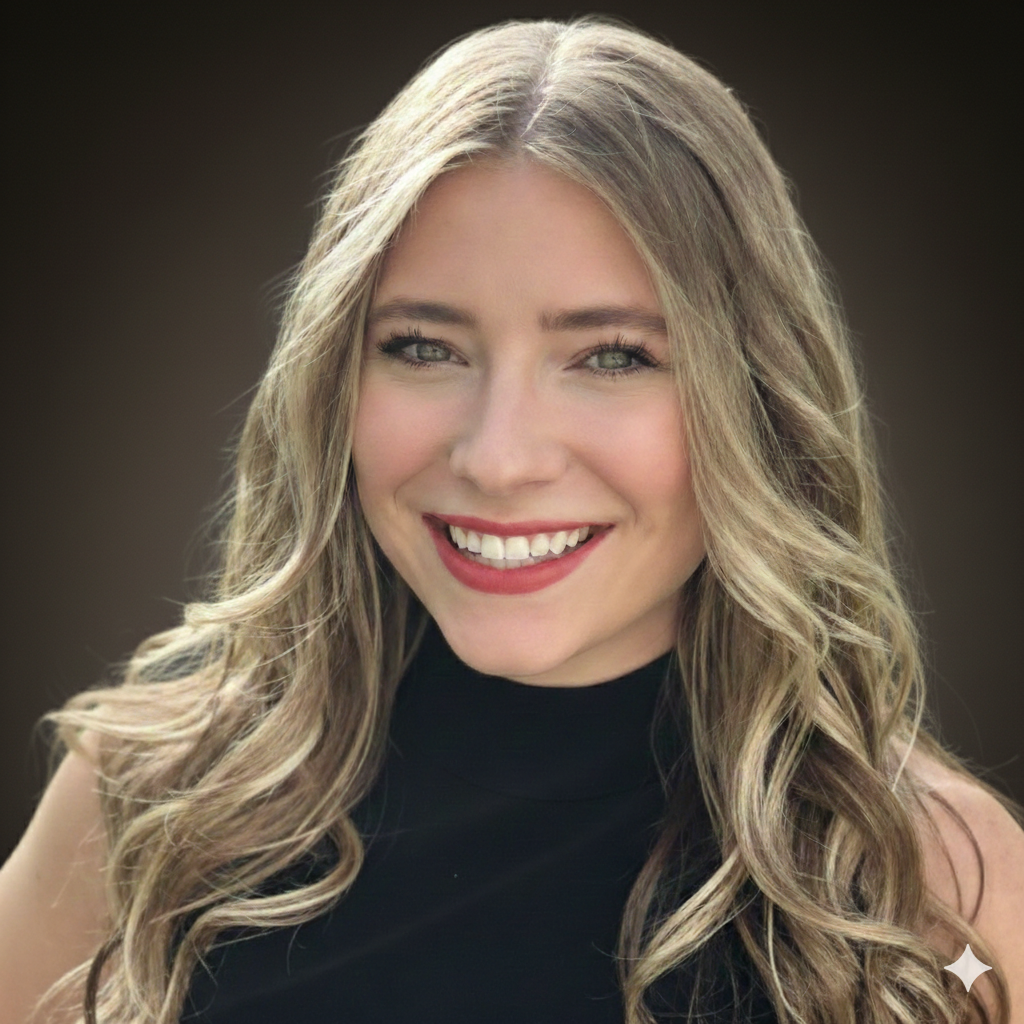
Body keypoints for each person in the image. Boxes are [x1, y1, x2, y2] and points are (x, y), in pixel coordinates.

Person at [1, 16, 1021, 1024]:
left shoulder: (935, 880)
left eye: (612, 355)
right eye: (422, 347)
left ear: (755, 398)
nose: (496, 457)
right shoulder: (159, 785)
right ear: (332, 377)